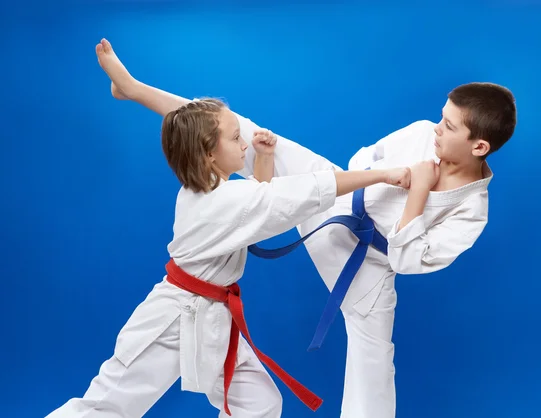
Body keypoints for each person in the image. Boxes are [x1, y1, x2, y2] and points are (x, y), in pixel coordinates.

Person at [94, 38, 517, 418]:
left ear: (479, 146)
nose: (436, 128)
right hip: (338, 200)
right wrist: (380, 179)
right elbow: (362, 161)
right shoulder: (424, 134)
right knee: (237, 130)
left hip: (369, 265)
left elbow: (408, 261)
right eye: (441, 118)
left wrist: (419, 192)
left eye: (449, 126)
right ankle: (133, 89)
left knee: (374, 362)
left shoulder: (471, 213)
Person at [45, 45, 412, 418]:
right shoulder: (218, 203)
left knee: (258, 404)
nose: (244, 143)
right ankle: (131, 87)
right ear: (208, 154)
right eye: (236, 138)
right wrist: (382, 175)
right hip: (173, 319)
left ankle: (131, 88)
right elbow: (295, 194)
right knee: (106, 408)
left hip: (212, 316)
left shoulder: (210, 189)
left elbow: (258, 206)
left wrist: (265, 159)